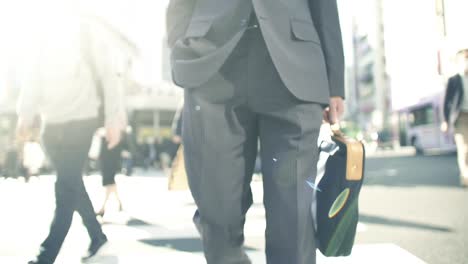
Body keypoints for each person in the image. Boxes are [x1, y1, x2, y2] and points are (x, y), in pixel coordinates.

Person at [166, 1, 345, 263]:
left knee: (292, 220)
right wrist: (179, 46)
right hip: (211, 63)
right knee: (217, 213)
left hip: (295, 64)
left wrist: (334, 81)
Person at [16, 10, 127, 264]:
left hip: (81, 121)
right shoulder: (43, 32)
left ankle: (46, 255)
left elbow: (109, 77)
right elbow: (32, 74)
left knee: (65, 186)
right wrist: (25, 113)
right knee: (72, 182)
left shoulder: (88, 31)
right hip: (50, 125)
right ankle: (97, 237)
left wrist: (113, 118)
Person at [442, 48, 468, 187]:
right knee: (464, 148)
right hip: (461, 118)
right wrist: (446, 120)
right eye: (465, 59)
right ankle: (465, 175)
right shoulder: (454, 80)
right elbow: (447, 102)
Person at [96, 128, 124, 217]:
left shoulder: (108, 139)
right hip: (109, 165)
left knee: (109, 185)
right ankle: (119, 203)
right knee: (112, 185)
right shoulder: (112, 138)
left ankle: (103, 208)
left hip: (109, 166)